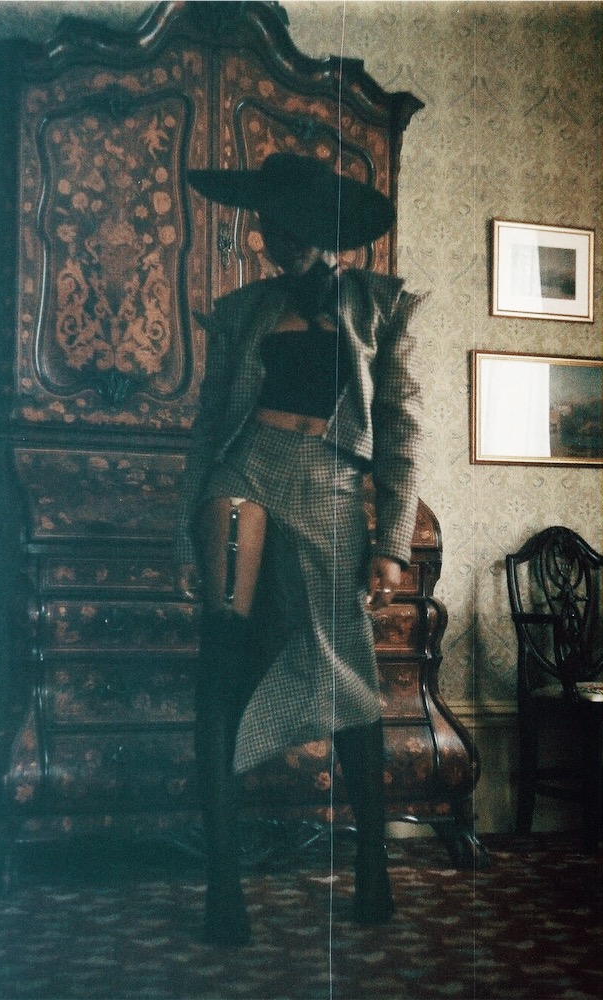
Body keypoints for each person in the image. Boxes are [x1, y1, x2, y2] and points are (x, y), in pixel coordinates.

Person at [174, 152, 425, 947]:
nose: (271, 238)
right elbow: (210, 422)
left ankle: (372, 868)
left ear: (322, 230)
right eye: (265, 224)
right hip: (244, 470)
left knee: (344, 665)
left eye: (285, 225)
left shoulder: (381, 305)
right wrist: (185, 529)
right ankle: (223, 887)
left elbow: (402, 431)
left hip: (329, 484)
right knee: (222, 653)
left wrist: (391, 543)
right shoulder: (242, 308)